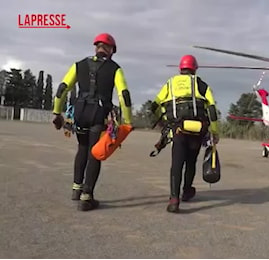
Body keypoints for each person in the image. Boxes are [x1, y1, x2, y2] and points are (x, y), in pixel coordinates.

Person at [51, 33, 133, 211]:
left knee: (82, 147)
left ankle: (76, 188)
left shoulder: (78, 65)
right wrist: (127, 121)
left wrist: (57, 112)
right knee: (95, 153)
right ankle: (87, 196)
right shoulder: (115, 69)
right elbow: (123, 95)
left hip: (80, 112)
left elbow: (62, 88)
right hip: (99, 114)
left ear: (96, 47)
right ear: (111, 50)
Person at [150, 54, 219, 213]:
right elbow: (212, 109)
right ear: (195, 68)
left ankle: (174, 198)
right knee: (191, 162)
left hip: (178, 128)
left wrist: (164, 119)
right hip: (198, 129)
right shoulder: (201, 84)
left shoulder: (170, 83)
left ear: (181, 68)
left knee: (177, 163)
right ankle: (187, 191)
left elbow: (154, 105)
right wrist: (214, 132)